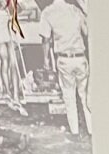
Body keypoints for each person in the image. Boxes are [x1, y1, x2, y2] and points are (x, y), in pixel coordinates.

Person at [40, 0, 89, 134]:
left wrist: (46, 60)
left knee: (69, 96)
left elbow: (45, 40)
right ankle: (91, 131)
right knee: (85, 97)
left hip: (64, 59)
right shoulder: (75, 10)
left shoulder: (48, 13)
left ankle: (75, 132)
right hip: (80, 57)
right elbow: (86, 31)